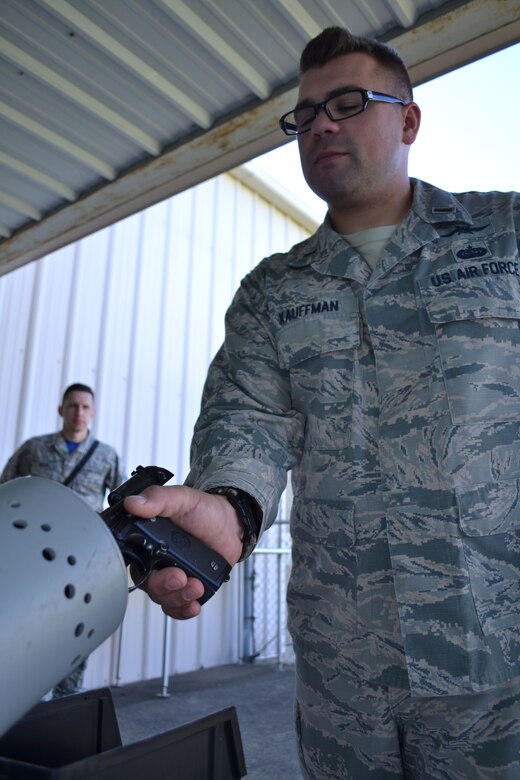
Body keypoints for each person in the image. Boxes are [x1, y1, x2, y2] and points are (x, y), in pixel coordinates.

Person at [124, 27, 520, 779]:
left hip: (500, 666)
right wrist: (229, 509)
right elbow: (247, 420)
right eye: (304, 116)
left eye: (346, 103)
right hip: (347, 675)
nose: (322, 127)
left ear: (407, 120)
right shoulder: (273, 292)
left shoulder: (506, 235)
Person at [1, 382, 125, 697]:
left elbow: (122, 502)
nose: (79, 412)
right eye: (73, 406)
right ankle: (25, 699)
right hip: (33, 554)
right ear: (61, 410)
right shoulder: (34, 449)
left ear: (93, 413)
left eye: (85, 407)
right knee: (28, 622)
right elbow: (6, 488)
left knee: (75, 628)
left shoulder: (106, 456)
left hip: (81, 559)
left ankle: (65, 704)